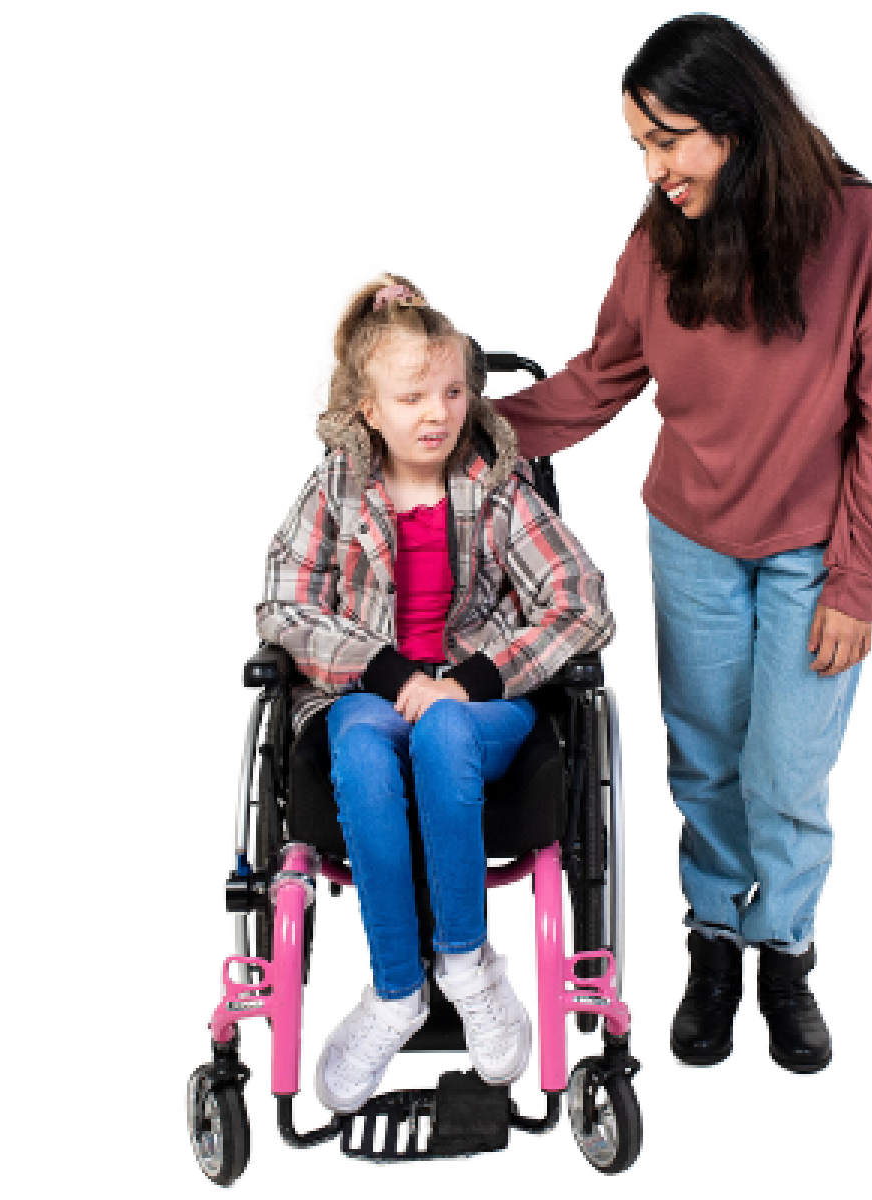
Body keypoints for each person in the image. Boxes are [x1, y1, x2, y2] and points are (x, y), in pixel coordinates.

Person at [492, 15, 872, 1075]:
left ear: (737, 124)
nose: (654, 167)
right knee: (703, 765)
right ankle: (713, 947)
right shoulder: (661, 236)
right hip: (688, 537)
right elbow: (602, 377)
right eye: (641, 143)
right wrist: (472, 424)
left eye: (668, 139)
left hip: (812, 556)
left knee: (783, 771)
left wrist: (856, 583)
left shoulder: (867, 235)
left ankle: (786, 952)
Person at [253, 273, 616, 1113]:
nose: (438, 412)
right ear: (368, 409)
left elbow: (580, 601)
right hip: (368, 696)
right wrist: (387, 673)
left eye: (454, 390)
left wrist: (472, 678)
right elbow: (283, 604)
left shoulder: (494, 488)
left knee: (444, 729)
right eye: (413, 395)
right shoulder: (336, 492)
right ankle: (392, 989)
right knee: (359, 737)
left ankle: (466, 960)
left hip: (481, 706)